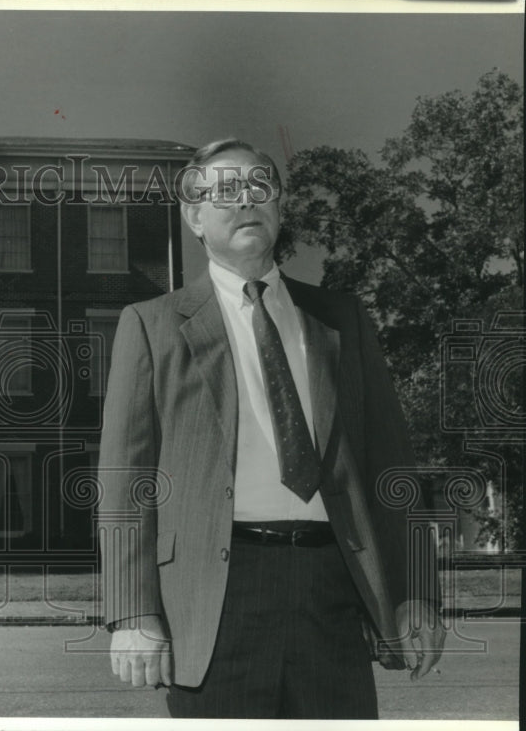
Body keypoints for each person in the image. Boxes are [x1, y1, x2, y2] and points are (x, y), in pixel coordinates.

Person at [97, 138, 445, 719]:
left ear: (279, 207)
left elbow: (391, 465)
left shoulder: (341, 319)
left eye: (260, 187)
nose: (246, 202)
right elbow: (126, 481)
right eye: (226, 191)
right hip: (218, 598)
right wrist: (133, 613)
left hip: (334, 588)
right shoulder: (152, 326)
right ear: (195, 217)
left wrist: (416, 591)